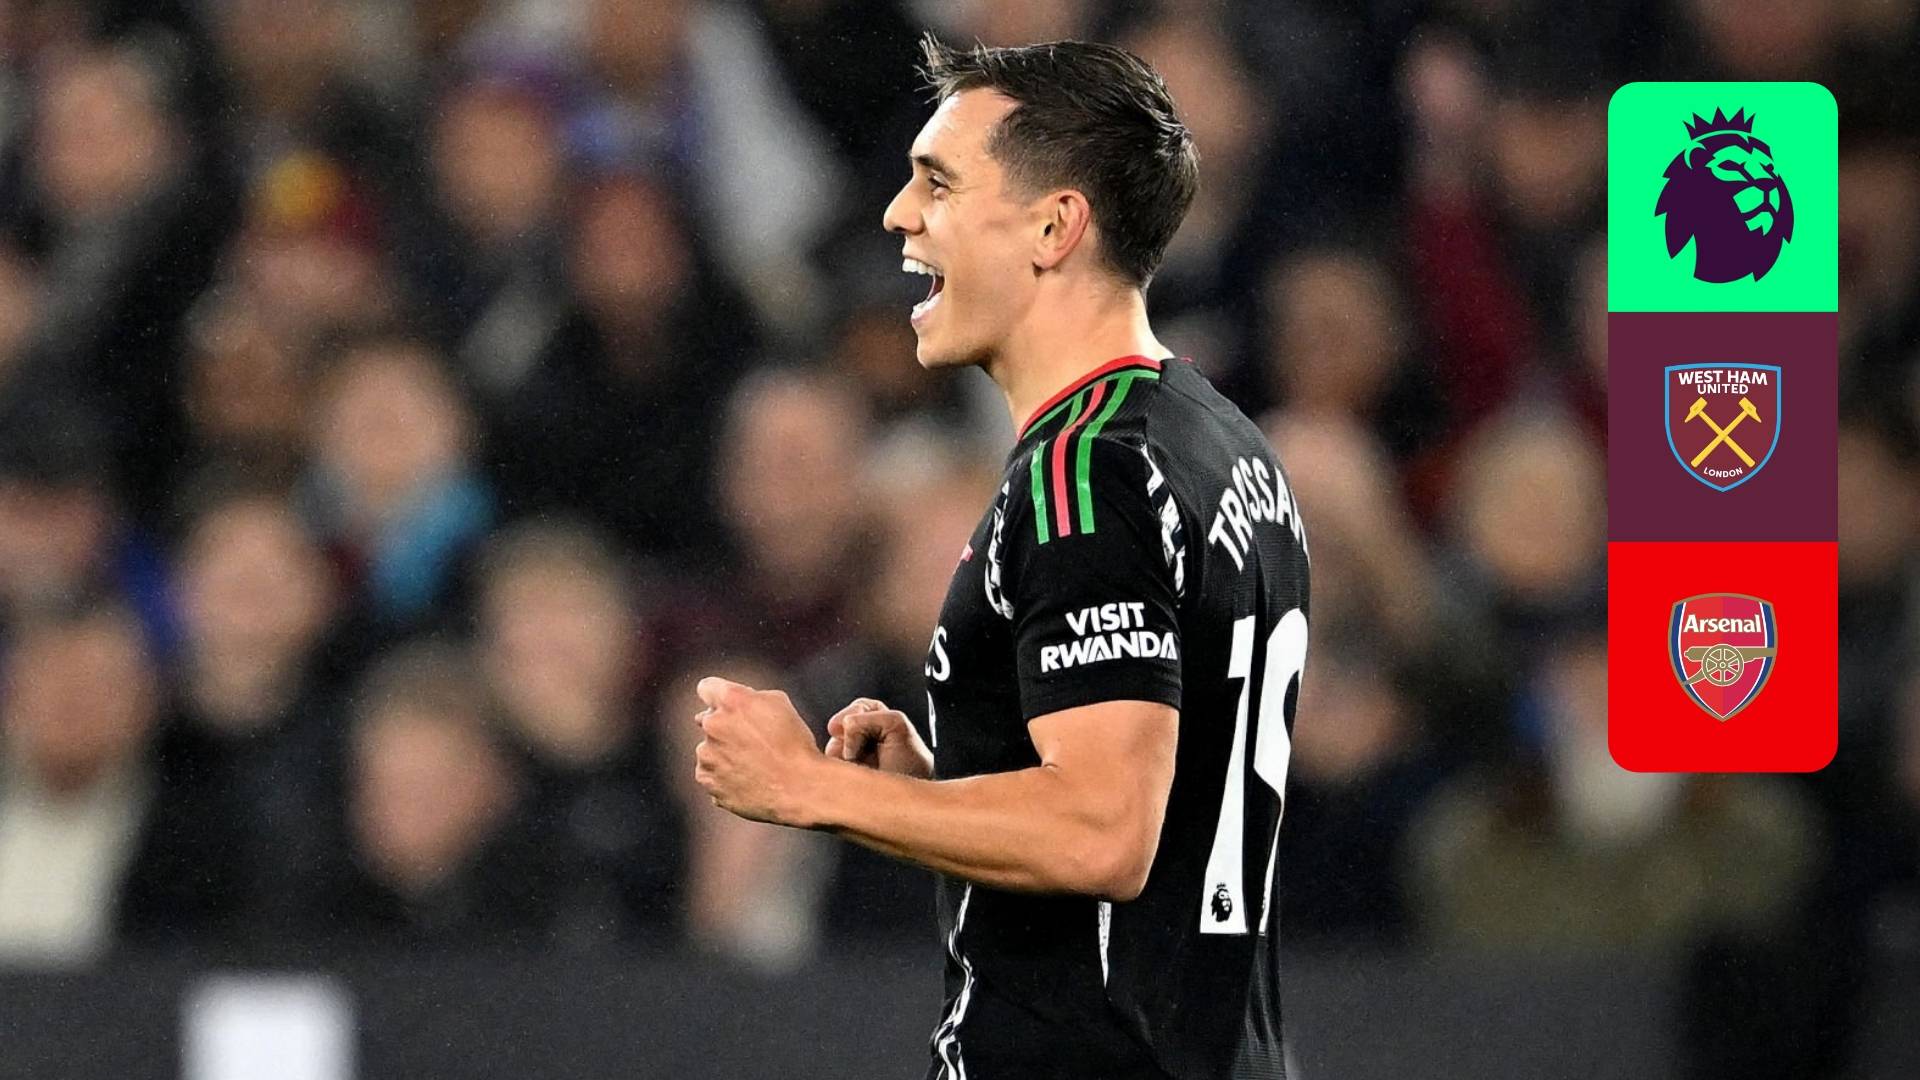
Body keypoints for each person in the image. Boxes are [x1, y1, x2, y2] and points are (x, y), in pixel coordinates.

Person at [691, 36, 1311, 1080]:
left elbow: (1104, 833)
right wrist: (946, 781)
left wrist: (809, 790)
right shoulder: (1222, 444)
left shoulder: (1085, 478)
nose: (899, 214)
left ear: (1055, 226)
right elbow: (1160, 803)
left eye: (938, 183)